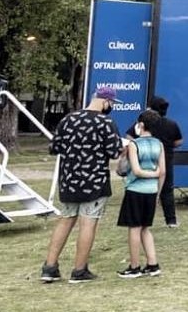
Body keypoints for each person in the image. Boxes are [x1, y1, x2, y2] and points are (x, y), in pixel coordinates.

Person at [40, 86, 124, 283]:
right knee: (88, 223)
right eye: (111, 104)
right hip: (94, 183)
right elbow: (114, 152)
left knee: (66, 219)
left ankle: (49, 267)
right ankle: (79, 270)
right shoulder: (105, 122)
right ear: (106, 101)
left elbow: (55, 148)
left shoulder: (68, 119)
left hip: (69, 181)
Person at [116, 109, 167, 278]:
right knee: (145, 228)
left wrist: (151, 174)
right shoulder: (159, 144)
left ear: (141, 125)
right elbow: (163, 171)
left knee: (134, 229)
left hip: (135, 190)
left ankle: (134, 266)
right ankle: (153, 264)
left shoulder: (134, 144)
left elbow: (136, 170)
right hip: (152, 191)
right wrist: (158, 191)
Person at [125, 96, 183, 227]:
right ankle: (171, 220)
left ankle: (140, 218)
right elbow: (179, 141)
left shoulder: (144, 123)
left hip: (145, 161)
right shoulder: (171, 124)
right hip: (166, 160)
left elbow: (128, 136)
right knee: (167, 191)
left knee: (141, 187)